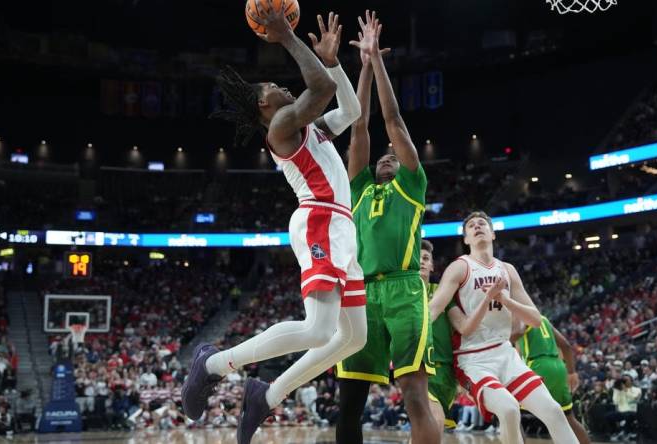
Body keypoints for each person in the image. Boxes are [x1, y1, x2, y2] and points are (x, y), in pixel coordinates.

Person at [181, 8, 367, 444]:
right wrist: (285, 37)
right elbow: (318, 88)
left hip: (342, 227)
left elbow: (352, 110)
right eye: (273, 87)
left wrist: (335, 62)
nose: (283, 86)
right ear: (264, 106)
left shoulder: (310, 128)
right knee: (320, 329)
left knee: (354, 337)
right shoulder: (281, 128)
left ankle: (267, 394)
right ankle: (211, 364)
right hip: (319, 217)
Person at [335, 11, 438, 444]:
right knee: (350, 401)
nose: (386, 156)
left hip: (403, 290)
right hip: (361, 292)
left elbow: (391, 121)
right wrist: (359, 69)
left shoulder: (412, 186)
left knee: (414, 394)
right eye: (383, 156)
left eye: (392, 156)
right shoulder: (358, 189)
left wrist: (377, 61)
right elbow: (359, 125)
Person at [429, 211, 579, 444]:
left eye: (482, 223)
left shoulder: (507, 270)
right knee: (509, 410)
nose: (477, 226)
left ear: (493, 233)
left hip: (505, 353)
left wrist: (506, 299)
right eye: (471, 226)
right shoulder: (459, 268)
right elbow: (434, 309)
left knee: (554, 411)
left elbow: (536, 320)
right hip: (472, 359)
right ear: (466, 239)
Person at [511, 315, 591, 444]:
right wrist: (572, 372)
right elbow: (566, 345)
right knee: (569, 418)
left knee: (513, 413)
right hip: (558, 367)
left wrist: (502, 339)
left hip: (537, 365)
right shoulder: (544, 320)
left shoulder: (521, 317)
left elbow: (518, 332)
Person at [420, 239, 458, 430]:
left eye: (426, 258)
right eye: (416, 258)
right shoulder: (402, 293)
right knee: (434, 421)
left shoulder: (442, 293)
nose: (421, 262)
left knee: (426, 431)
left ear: (432, 265)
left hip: (448, 372)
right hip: (420, 368)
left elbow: (462, 325)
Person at [605, 375, 641, 441]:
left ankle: (626, 432)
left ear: (631, 381)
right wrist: (618, 391)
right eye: (624, 380)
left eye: (627, 380)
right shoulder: (618, 390)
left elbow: (634, 399)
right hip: (621, 411)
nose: (625, 382)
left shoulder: (637, 389)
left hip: (632, 411)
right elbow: (615, 401)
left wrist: (626, 391)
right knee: (608, 416)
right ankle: (615, 432)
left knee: (629, 415)